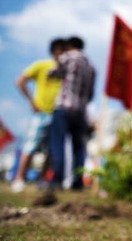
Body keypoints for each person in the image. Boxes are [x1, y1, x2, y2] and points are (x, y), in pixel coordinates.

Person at [11, 38, 66, 193]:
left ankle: (42, 179)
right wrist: (31, 102)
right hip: (41, 113)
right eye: (61, 51)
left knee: (52, 149)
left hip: (57, 113)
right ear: (55, 51)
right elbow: (20, 81)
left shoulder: (66, 70)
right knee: (30, 145)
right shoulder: (42, 66)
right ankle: (19, 178)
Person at [47, 36, 96, 196]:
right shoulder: (91, 66)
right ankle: (77, 182)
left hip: (63, 108)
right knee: (79, 149)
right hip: (80, 111)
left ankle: (57, 180)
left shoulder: (67, 57)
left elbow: (52, 73)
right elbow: (90, 94)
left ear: (69, 46)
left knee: (58, 144)